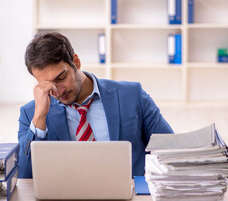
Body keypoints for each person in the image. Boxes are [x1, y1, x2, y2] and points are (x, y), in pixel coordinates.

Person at [18, 32, 174, 178]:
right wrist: (39, 118)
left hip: (129, 199)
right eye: (48, 84)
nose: (58, 91)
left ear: (76, 62)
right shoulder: (31, 113)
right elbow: (24, 177)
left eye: (61, 77)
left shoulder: (132, 96)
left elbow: (171, 150)